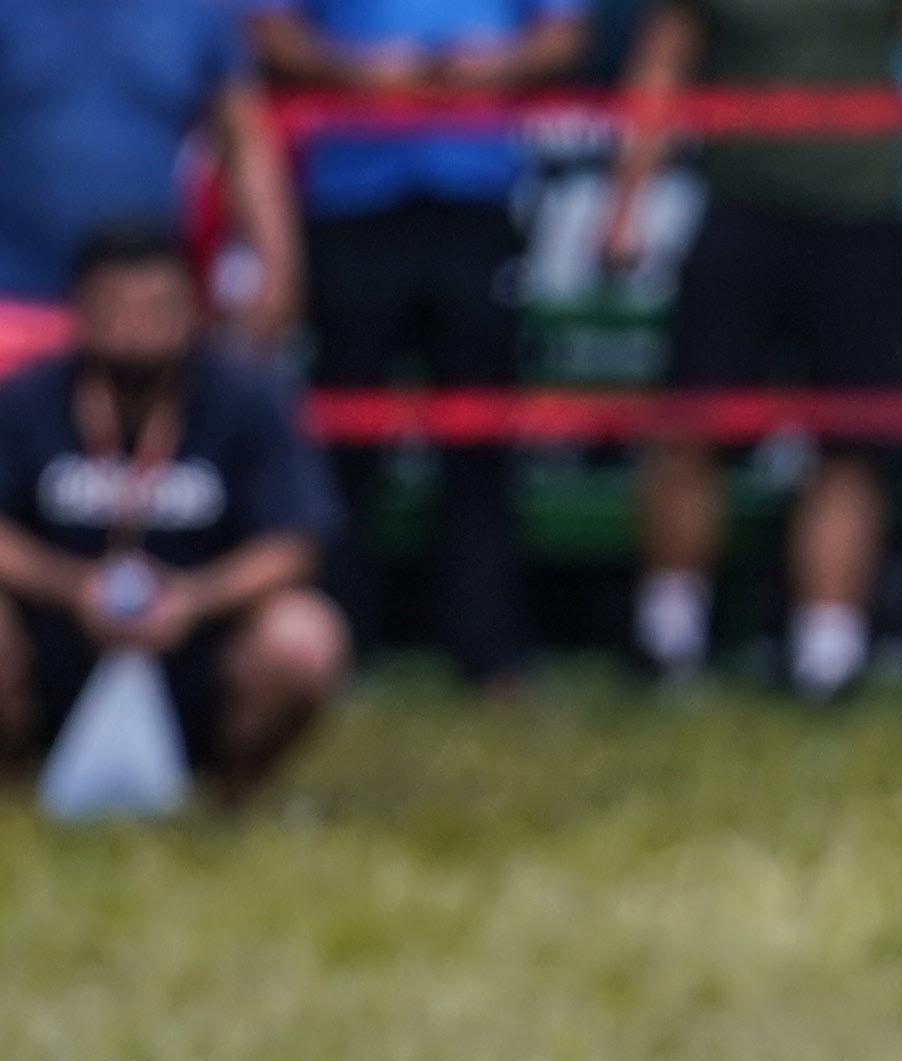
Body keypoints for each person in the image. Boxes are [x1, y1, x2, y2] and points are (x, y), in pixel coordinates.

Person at [600, 0, 902, 701]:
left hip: (862, 219)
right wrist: (627, 198)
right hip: (741, 210)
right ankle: (667, 638)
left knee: (853, 444)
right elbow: (663, 64)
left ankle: (827, 653)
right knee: (690, 429)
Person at [252, 0, 589, 688]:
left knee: (482, 438)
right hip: (351, 197)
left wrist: (499, 64)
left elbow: (565, 35)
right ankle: (334, 642)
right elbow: (265, 29)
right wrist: (352, 70)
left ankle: (491, 650)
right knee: (343, 442)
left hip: (473, 194)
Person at [0, 225, 350, 803]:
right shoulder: (26, 400)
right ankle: (15, 782)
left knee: (303, 635)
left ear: (194, 309)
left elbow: (295, 542)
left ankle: (234, 791)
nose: (137, 325)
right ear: (80, 311)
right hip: (57, 640)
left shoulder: (249, 398)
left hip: (202, 648)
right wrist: (73, 589)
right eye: (117, 307)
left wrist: (193, 600)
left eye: (157, 307)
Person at [0, 0, 305, 370]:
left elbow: (245, 144)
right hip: (14, 303)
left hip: (149, 311)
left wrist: (277, 274)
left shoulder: (195, 15)